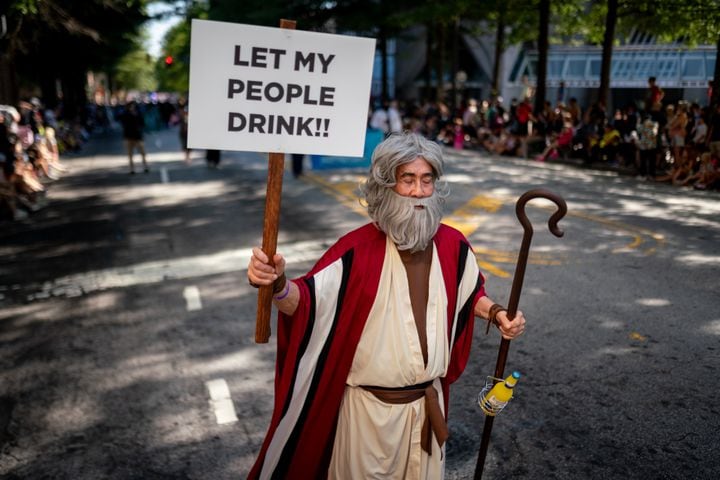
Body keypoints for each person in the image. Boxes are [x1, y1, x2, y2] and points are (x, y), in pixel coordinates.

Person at [246, 132, 526, 479]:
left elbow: (467, 297)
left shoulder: (454, 245)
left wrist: (498, 314)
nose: (418, 191)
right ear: (385, 186)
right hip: (368, 418)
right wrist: (275, 282)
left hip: (427, 411)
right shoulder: (355, 250)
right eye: (407, 180)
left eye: (426, 180)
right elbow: (304, 304)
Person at [119, 102, 148, 174]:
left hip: (138, 136)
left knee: (142, 153)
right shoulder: (125, 114)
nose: (131, 108)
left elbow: (142, 123)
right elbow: (122, 122)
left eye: (133, 106)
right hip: (128, 136)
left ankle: (145, 166)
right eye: (130, 106)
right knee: (130, 154)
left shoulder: (138, 114)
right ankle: (132, 169)